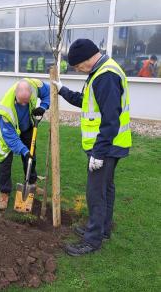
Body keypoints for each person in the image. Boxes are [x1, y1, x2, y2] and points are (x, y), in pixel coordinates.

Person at [53, 39, 132, 256]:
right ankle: (102, 229)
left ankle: (92, 240)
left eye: (78, 66)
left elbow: (110, 119)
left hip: (105, 147)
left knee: (96, 192)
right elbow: (85, 101)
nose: (78, 70)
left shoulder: (105, 76)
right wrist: (62, 90)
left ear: (88, 58)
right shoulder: (99, 72)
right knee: (106, 188)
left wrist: (98, 152)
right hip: (110, 145)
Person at [0, 78, 50, 210]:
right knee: (5, 162)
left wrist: (43, 107)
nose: (25, 104)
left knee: (32, 158)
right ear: (16, 93)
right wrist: (24, 151)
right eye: (22, 102)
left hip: (27, 127)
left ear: (31, 92)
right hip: (8, 133)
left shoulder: (35, 85)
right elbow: (12, 139)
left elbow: (49, 93)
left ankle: (32, 183)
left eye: (28, 101)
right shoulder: (5, 110)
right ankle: (4, 192)